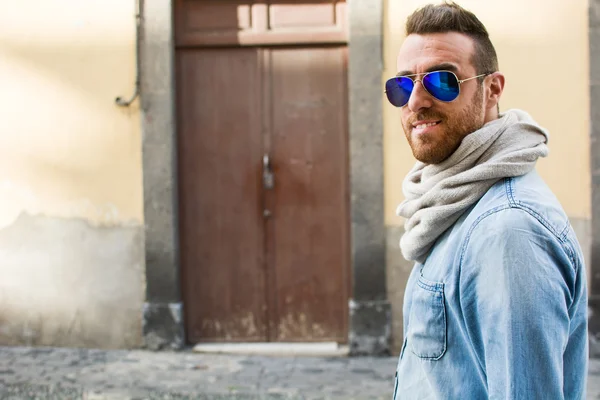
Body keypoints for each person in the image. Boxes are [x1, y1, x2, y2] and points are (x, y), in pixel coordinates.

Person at [386, 2, 588, 399]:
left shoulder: (508, 232)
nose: (416, 102)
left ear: (492, 88)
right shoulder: (451, 204)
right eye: (403, 85)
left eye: (442, 80)